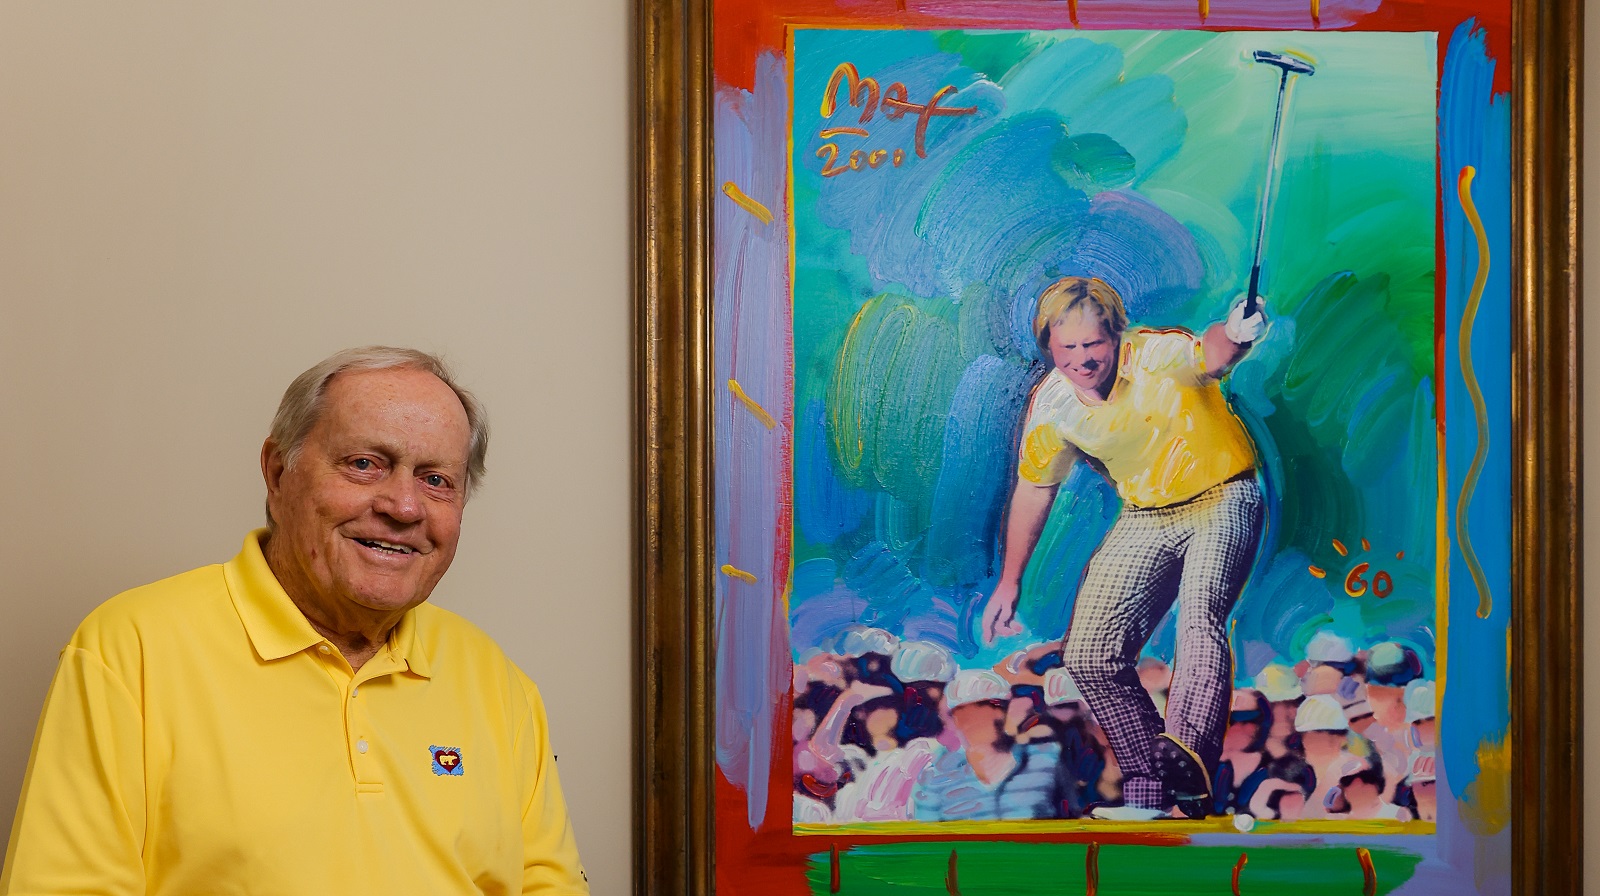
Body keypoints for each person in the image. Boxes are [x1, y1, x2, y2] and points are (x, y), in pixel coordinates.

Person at [1, 347, 589, 894]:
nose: (404, 507)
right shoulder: (129, 650)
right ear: (278, 472)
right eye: (364, 464)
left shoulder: (499, 683)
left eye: (437, 480)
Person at [982, 276, 1267, 820]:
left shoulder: (1157, 353)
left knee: (1201, 614)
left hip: (1222, 494)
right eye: (1068, 349)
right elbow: (1035, 489)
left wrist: (1236, 330)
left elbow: (1212, 354)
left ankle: (1190, 755)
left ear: (1117, 337)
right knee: (1090, 651)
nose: (1083, 360)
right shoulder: (1052, 405)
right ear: (1050, 348)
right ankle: (1147, 787)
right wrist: (1010, 579)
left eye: (1094, 344)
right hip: (1147, 515)